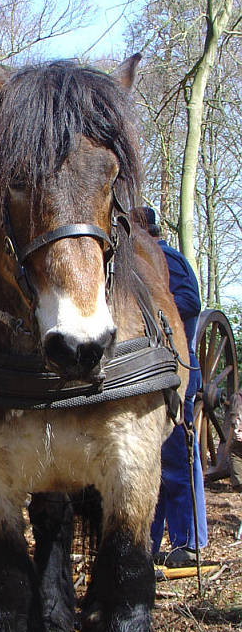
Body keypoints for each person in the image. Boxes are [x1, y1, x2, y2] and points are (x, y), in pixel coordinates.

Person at [132, 206, 208, 566]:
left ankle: (188, 542)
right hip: (149, 372)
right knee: (151, 461)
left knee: (177, 457)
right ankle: (148, 541)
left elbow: (188, 307)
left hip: (175, 371)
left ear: (145, 229)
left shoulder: (169, 261)